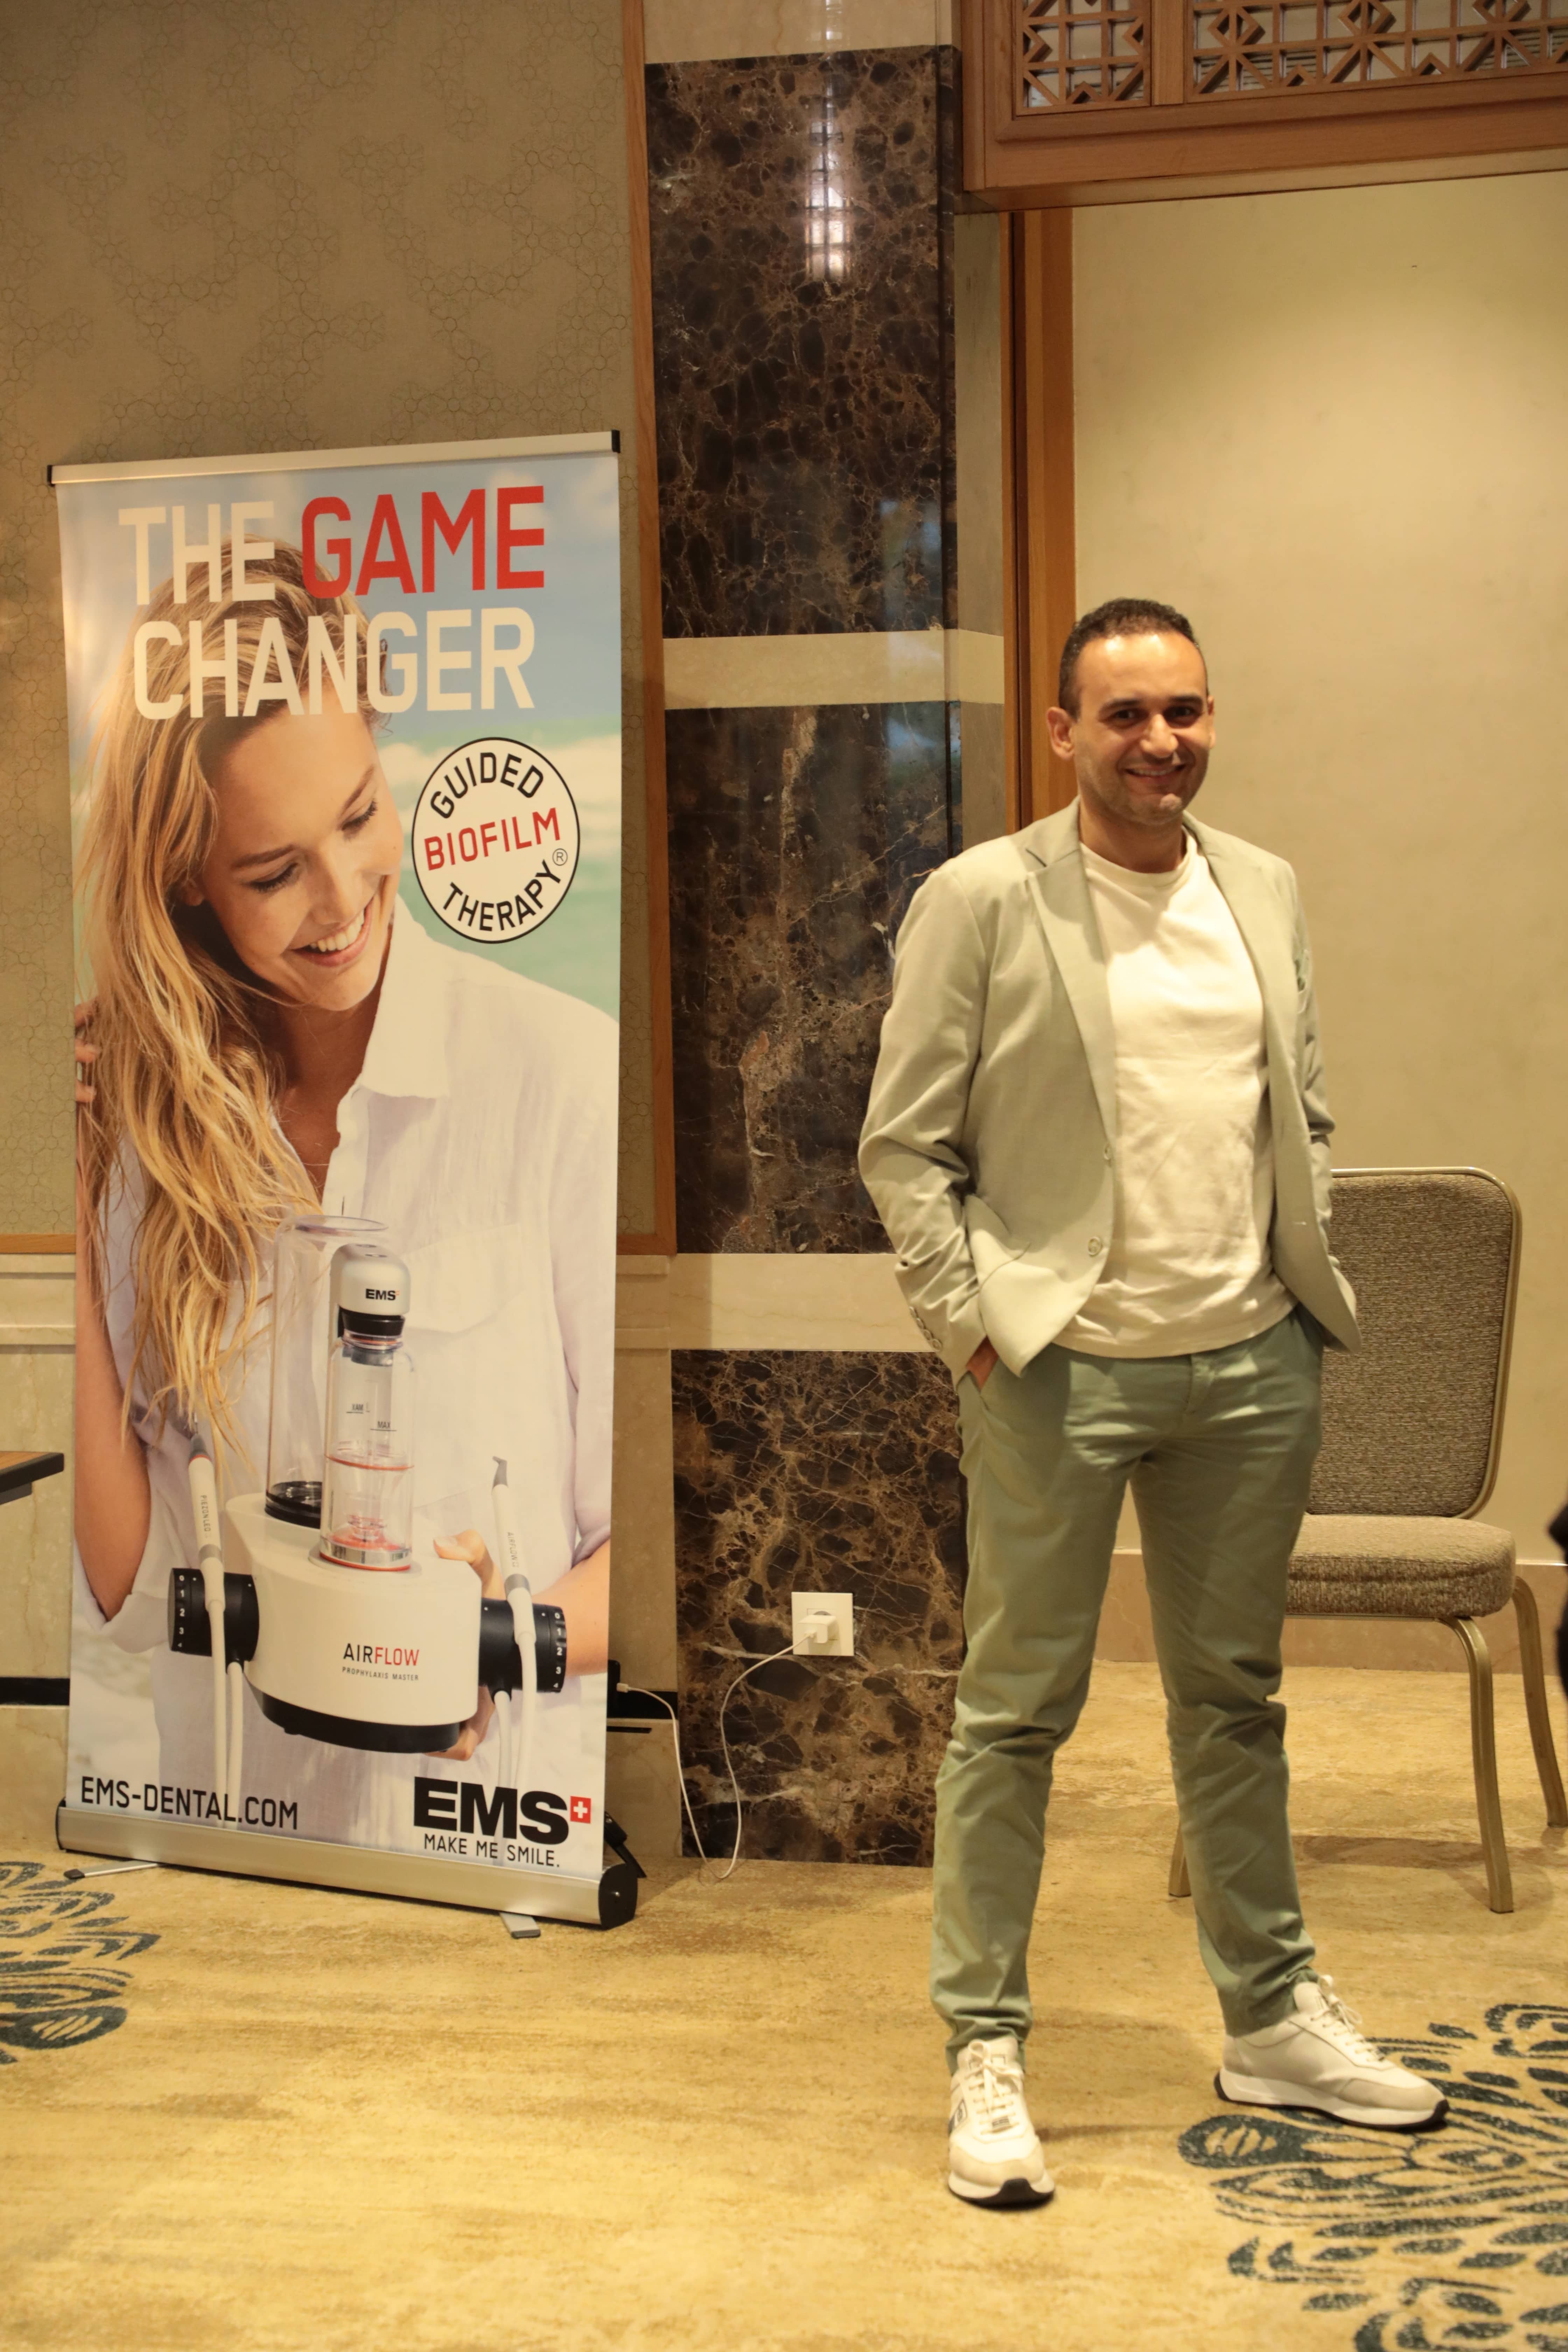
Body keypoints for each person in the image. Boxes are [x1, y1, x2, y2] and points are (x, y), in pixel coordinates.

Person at [859, 597, 1444, 2209]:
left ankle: (1271, 2017)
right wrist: (974, 1332)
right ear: (1063, 732)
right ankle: (985, 2046)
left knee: (1233, 1704)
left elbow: (1294, 1104)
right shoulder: (984, 898)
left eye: (1183, 709)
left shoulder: (1262, 886)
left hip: (1252, 1365)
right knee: (1014, 1717)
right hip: (1060, 1372)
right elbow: (903, 1148)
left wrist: (1298, 1284)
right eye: (1123, 714)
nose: (1159, 741)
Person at [74, 541, 615, 1846]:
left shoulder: (559, 1078)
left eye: (362, 814)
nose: (343, 900)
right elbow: (130, 1586)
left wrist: (491, 1642)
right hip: (229, 1837)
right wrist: (80, 1187)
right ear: (188, 884)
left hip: (493, 1848)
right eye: (273, 873)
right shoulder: (152, 1135)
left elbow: (640, 1537)